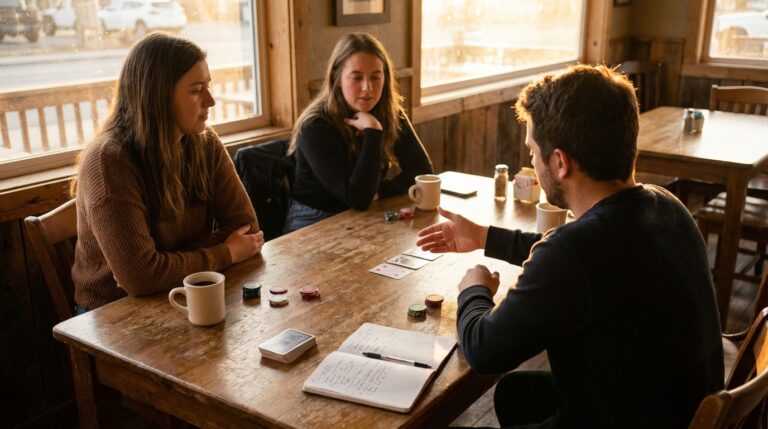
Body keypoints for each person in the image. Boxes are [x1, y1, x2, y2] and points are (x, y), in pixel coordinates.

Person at [416, 65, 723, 428]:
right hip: (671, 406)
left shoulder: (575, 251)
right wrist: (485, 237)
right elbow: (577, 257)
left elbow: (484, 351)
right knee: (515, 393)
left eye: (532, 150)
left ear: (560, 163)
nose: (530, 158)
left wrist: (474, 289)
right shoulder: (667, 206)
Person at [70, 33, 264, 312]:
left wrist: (164, 262)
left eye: (208, 86)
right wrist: (225, 252)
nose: (211, 101)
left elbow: (247, 228)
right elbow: (139, 279)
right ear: (157, 95)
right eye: (197, 90)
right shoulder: (108, 162)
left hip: (184, 293)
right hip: (113, 314)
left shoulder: (204, 142)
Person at [284, 33, 433, 233]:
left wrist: (380, 192)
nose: (367, 88)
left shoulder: (389, 112)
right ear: (337, 77)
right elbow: (358, 198)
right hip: (312, 221)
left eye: (375, 77)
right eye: (357, 77)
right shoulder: (315, 126)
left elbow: (423, 172)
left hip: (365, 215)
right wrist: (373, 132)